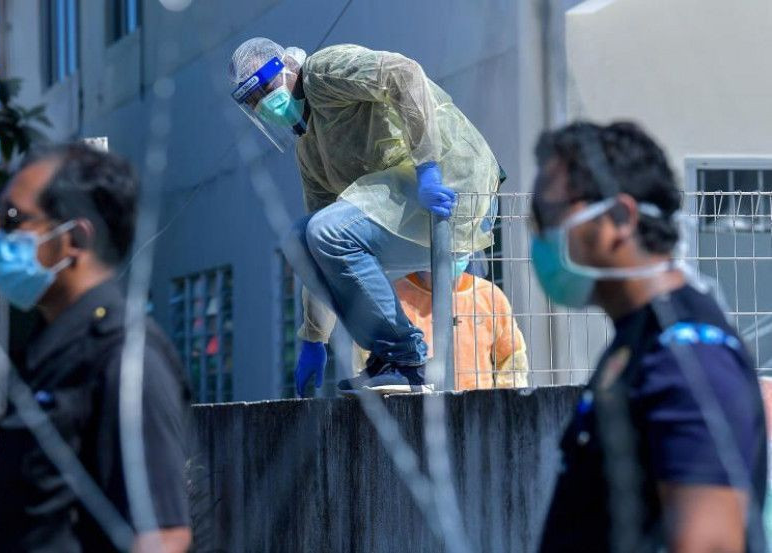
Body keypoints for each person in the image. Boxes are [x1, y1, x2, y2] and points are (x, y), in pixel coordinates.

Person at [531, 122, 767, 552]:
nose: (540, 238)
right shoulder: (641, 339)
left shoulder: (689, 356)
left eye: (548, 217)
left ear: (620, 218)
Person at [229, 38, 503, 395]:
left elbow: (403, 73)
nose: (265, 104)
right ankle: (391, 354)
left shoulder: (323, 72)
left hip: (453, 184)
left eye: (265, 88)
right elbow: (319, 247)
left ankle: (406, 358)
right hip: (408, 204)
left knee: (325, 232)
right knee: (300, 240)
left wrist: (428, 167)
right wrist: (313, 338)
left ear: (289, 66)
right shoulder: (310, 151)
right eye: (254, 101)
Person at [0, 144, 192, 552]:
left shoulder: (122, 356)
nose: (1, 238)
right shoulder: (51, 349)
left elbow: (162, 537)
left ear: (75, 237)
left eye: (12, 220)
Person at [354, 264, 529, 390]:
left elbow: (512, 359)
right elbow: (363, 360)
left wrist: (506, 403)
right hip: (410, 410)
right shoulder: (394, 296)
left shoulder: (489, 296)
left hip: (478, 410)